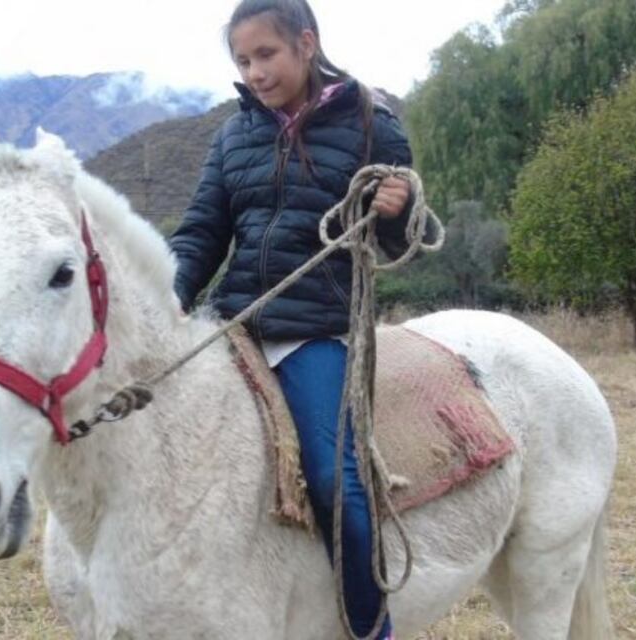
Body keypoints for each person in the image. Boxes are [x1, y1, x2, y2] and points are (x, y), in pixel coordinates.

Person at [170, 1, 433, 638]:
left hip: (315, 330)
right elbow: (203, 232)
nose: (254, 73)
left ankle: (372, 627)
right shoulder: (234, 135)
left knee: (333, 479)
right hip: (233, 323)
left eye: (266, 55)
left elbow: (395, 245)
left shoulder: (374, 124)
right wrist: (166, 301)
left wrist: (395, 210)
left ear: (306, 44)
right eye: (242, 60)